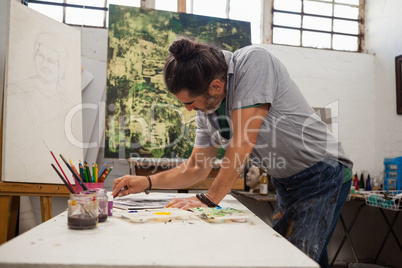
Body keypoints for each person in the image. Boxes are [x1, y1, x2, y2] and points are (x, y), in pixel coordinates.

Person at [112, 37, 353, 267]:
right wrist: (146, 181)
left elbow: (243, 141)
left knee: (293, 258)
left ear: (215, 86)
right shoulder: (206, 112)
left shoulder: (253, 62)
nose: (187, 109)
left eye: (189, 102)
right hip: (286, 182)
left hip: (322, 173)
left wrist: (208, 199)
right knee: (304, 256)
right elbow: (196, 166)